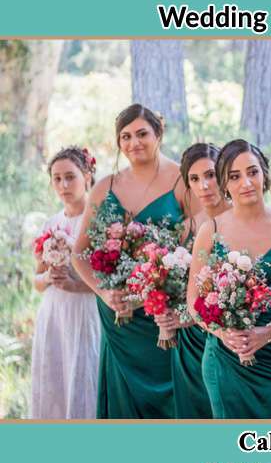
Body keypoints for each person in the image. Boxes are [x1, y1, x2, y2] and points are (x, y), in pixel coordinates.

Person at [73, 104, 187, 418]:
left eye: (141, 134)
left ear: (158, 134)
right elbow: (79, 252)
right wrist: (104, 292)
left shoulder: (182, 180)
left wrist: (154, 293)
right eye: (125, 136)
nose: (133, 142)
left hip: (162, 316)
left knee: (171, 399)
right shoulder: (104, 187)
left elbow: (195, 248)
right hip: (118, 316)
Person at [187, 139, 271, 418]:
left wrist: (266, 333)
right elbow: (194, 302)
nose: (246, 182)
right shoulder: (210, 231)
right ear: (224, 183)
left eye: (252, 172)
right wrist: (224, 334)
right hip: (226, 361)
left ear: (264, 173)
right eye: (234, 176)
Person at [154, 143, 229, 419]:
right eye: (194, 179)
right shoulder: (187, 227)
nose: (204, 185)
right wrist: (166, 311)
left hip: (228, 338)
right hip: (189, 344)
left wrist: (187, 317)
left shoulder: (241, 221)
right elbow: (178, 284)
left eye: (210, 175)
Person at [31, 146, 101, 419]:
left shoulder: (97, 221)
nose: (63, 185)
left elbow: (108, 282)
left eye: (70, 177)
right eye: (57, 179)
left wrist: (76, 284)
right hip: (54, 312)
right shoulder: (50, 223)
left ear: (87, 176)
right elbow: (36, 282)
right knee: (55, 378)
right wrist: (49, 276)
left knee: (84, 374)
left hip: (85, 310)